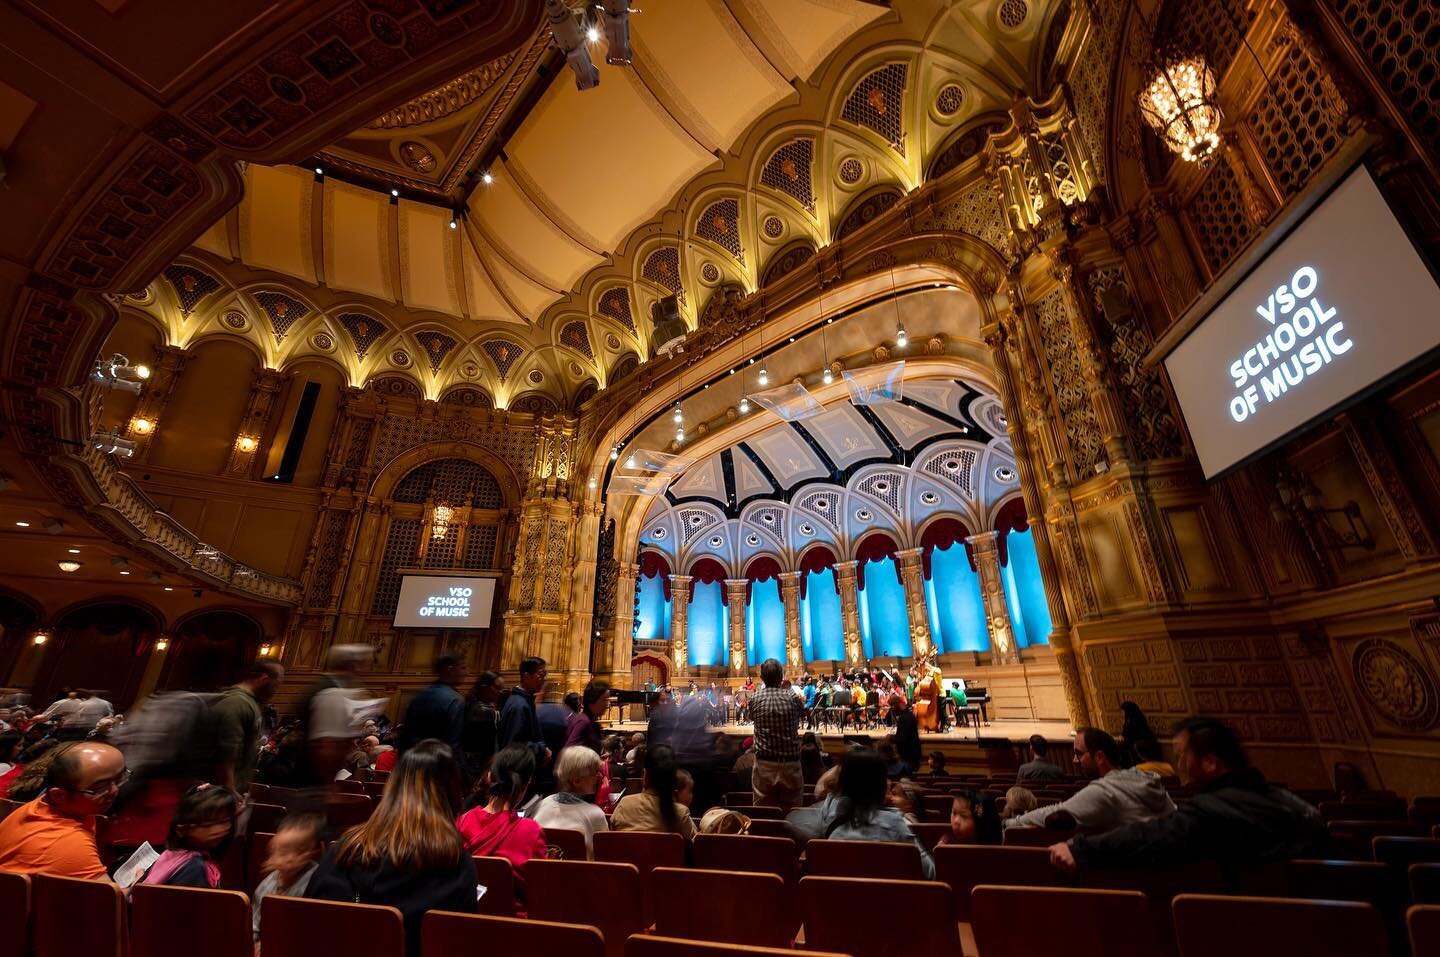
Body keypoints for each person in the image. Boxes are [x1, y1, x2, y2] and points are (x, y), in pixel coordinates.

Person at [1050, 718, 1325, 880]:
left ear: (1209, 762)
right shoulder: (1299, 807)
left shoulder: (1211, 812)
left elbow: (1152, 835)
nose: (1179, 764)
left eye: (1183, 754)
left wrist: (1082, 849)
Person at [305, 740, 475, 956]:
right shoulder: (456, 862)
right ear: (452, 796)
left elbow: (310, 921)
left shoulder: (348, 848)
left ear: (393, 787)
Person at [784, 748, 934, 878]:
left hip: (837, 904)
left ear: (843, 783)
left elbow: (793, 822)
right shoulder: (894, 822)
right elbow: (929, 871)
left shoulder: (829, 816)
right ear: (880, 786)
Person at [1005, 728, 1174, 831]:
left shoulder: (1106, 791)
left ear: (1100, 757)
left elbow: (1056, 811)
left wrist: (1011, 822)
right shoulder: (1149, 781)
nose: (1074, 761)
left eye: (1078, 754)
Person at [0, 741, 126, 879]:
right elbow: (111, 898)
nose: (115, 790)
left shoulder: (45, 805)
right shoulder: (70, 844)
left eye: (119, 778)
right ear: (59, 795)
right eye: (100, 787)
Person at [456, 744, 547, 904]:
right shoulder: (531, 831)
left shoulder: (461, 822)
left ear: (489, 776)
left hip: (465, 916)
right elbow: (541, 889)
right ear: (525, 785)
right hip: (511, 924)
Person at [136, 783, 240, 889]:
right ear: (182, 830)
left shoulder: (175, 853)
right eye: (207, 824)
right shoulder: (195, 868)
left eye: (224, 821)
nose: (218, 829)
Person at [300, 644, 372, 788]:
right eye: (364, 665)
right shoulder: (332, 693)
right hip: (310, 781)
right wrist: (329, 786)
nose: (365, 671)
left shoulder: (325, 686)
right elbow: (327, 747)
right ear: (352, 666)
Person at [209, 660, 284, 794]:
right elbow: (226, 752)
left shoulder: (249, 702)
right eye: (277, 684)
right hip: (219, 795)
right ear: (264, 679)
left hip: (229, 790)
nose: (276, 690)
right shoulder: (237, 703)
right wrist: (230, 790)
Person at [252, 813, 325, 944]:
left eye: (300, 851)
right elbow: (254, 925)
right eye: (282, 851)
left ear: (316, 851)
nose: (290, 858)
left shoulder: (319, 882)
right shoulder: (267, 885)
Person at [747, 658, 805, 809]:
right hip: (790, 765)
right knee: (793, 816)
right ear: (781, 677)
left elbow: (751, 717)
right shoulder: (792, 697)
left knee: (764, 813)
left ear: (762, 678)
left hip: (764, 765)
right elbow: (803, 713)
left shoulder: (754, 698)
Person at [531, 746, 609, 857]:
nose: (599, 776)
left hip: (540, 872)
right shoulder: (595, 814)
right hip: (580, 873)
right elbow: (604, 857)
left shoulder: (542, 804)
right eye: (595, 772)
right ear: (577, 781)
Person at [611, 744, 696, 841]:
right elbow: (695, 846)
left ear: (645, 775)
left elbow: (612, 838)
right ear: (673, 780)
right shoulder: (681, 813)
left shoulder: (624, 804)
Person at [399, 655, 467, 757]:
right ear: (450, 669)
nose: (466, 672)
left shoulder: (419, 695)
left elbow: (406, 737)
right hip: (438, 763)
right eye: (463, 668)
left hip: (412, 760)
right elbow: (453, 744)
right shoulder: (455, 700)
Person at [498, 657, 550, 769]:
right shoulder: (519, 705)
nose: (544, 679)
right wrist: (541, 748)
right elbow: (513, 746)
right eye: (541, 675)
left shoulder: (524, 700)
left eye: (545, 675)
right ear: (526, 676)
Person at [461, 671, 502, 778]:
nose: (500, 692)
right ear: (485, 687)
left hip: (468, 765)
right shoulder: (484, 711)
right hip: (478, 769)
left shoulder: (471, 703)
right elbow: (486, 748)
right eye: (497, 688)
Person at [564, 680, 609, 753]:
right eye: (604, 700)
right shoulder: (583, 721)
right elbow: (570, 750)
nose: (607, 705)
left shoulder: (591, 721)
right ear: (592, 700)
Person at [891, 696, 921, 773]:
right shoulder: (909, 715)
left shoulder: (905, 718)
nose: (893, 708)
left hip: (908, 756)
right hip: (912, 754)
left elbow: (903, 739)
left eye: (893, 705)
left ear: (897, 704)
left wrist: (891, 738)